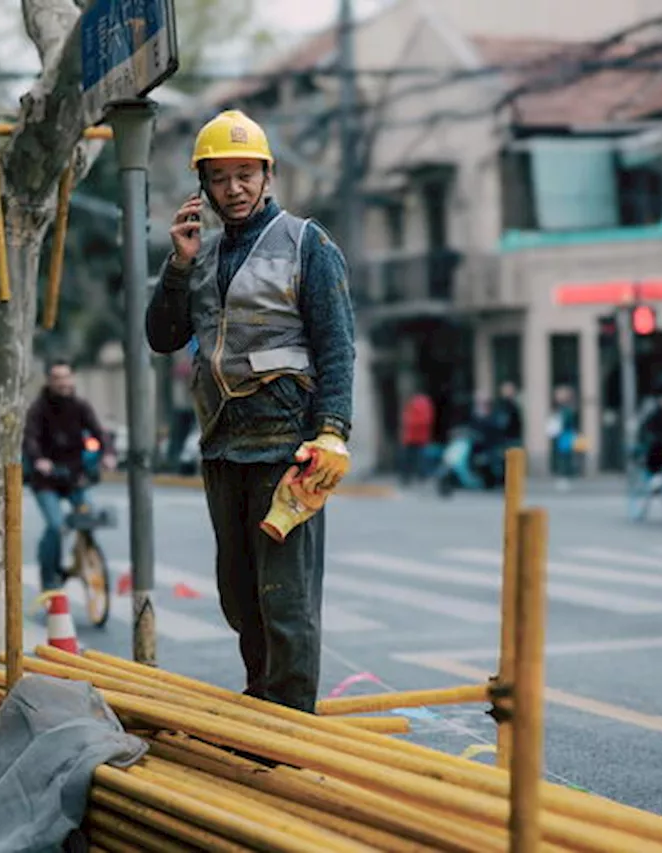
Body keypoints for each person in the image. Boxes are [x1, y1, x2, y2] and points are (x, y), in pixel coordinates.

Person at [145, 109, 355, 712]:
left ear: (267, 175)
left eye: (245, 174)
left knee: (285, 601)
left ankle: (289, 730)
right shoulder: (201, 255)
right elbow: (162, 336)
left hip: (289, 449)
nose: (233, 188)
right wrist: (178, 265)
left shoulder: (306, 243)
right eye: (220, 177)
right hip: (222, 445)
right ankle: (262, 705)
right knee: (240, 597)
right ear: (203, 186)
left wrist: (333, 431)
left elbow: (337, 344)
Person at [23, 360, 117, 594]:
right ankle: (50, 574)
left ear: (73, 378)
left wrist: (108, 454)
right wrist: (39, 460)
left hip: (75, 478)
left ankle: (84, 554)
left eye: (66, 377)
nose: (63, 382)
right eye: (57, 377)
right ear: (48, 380)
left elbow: (99, 432)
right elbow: (30, 439)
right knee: (56, 526)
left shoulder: (80, 406)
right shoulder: (38, 409)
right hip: (47, 480)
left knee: (89, 516)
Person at [398, 389, 434, 486]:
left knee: (415, 459)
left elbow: (411, 420)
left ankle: (413, 477)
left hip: (416, 437)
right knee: (415, 459)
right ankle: (414, 477)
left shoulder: (418, 404)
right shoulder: (422, 403)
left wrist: (410, 423)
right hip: (415, 437)